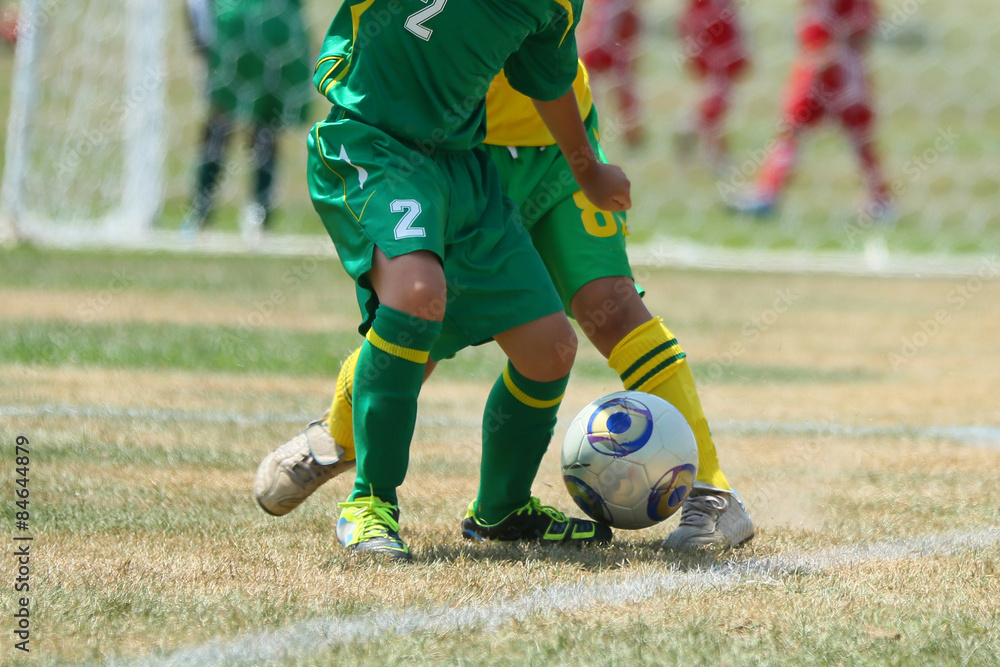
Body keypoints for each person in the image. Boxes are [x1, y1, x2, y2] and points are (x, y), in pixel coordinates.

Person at [255, 59, 755, 552]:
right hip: (463, 152)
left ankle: (711, 491)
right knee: (425, 324)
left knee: (610, 304)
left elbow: (546, 39)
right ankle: (337, 438)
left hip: (559, 146)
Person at [280, 0, 633, 561]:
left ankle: (502, 512)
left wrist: (588, 170)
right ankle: (369, 502)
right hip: (376, 143)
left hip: (465, 166)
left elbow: (547, 78)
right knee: (418, 293)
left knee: (551, 347)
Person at [729, 0, 891, 218]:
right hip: (814, 60)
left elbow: (865, 25)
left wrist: (837, 48)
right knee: (792, 130)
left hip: (841, 65)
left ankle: (880, 200)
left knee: (859, 136)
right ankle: (767, 195)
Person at [182, 0, 313, 233]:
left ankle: (201, 215)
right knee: (262, 123)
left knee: (224, 119)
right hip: (276, 24)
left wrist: (200, 32)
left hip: (235, 22)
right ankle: (257, 217)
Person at [675, 0, 751, 175]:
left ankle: (696, 131)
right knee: (721, 89)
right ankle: (693, 126)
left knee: (715, 87)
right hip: (715, 23)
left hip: (706, 20)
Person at [577, 0, 645, 147]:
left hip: (614, 44)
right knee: (588, 85)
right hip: (602, 45)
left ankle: (631, 129)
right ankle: (582, 128)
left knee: (622, 83)